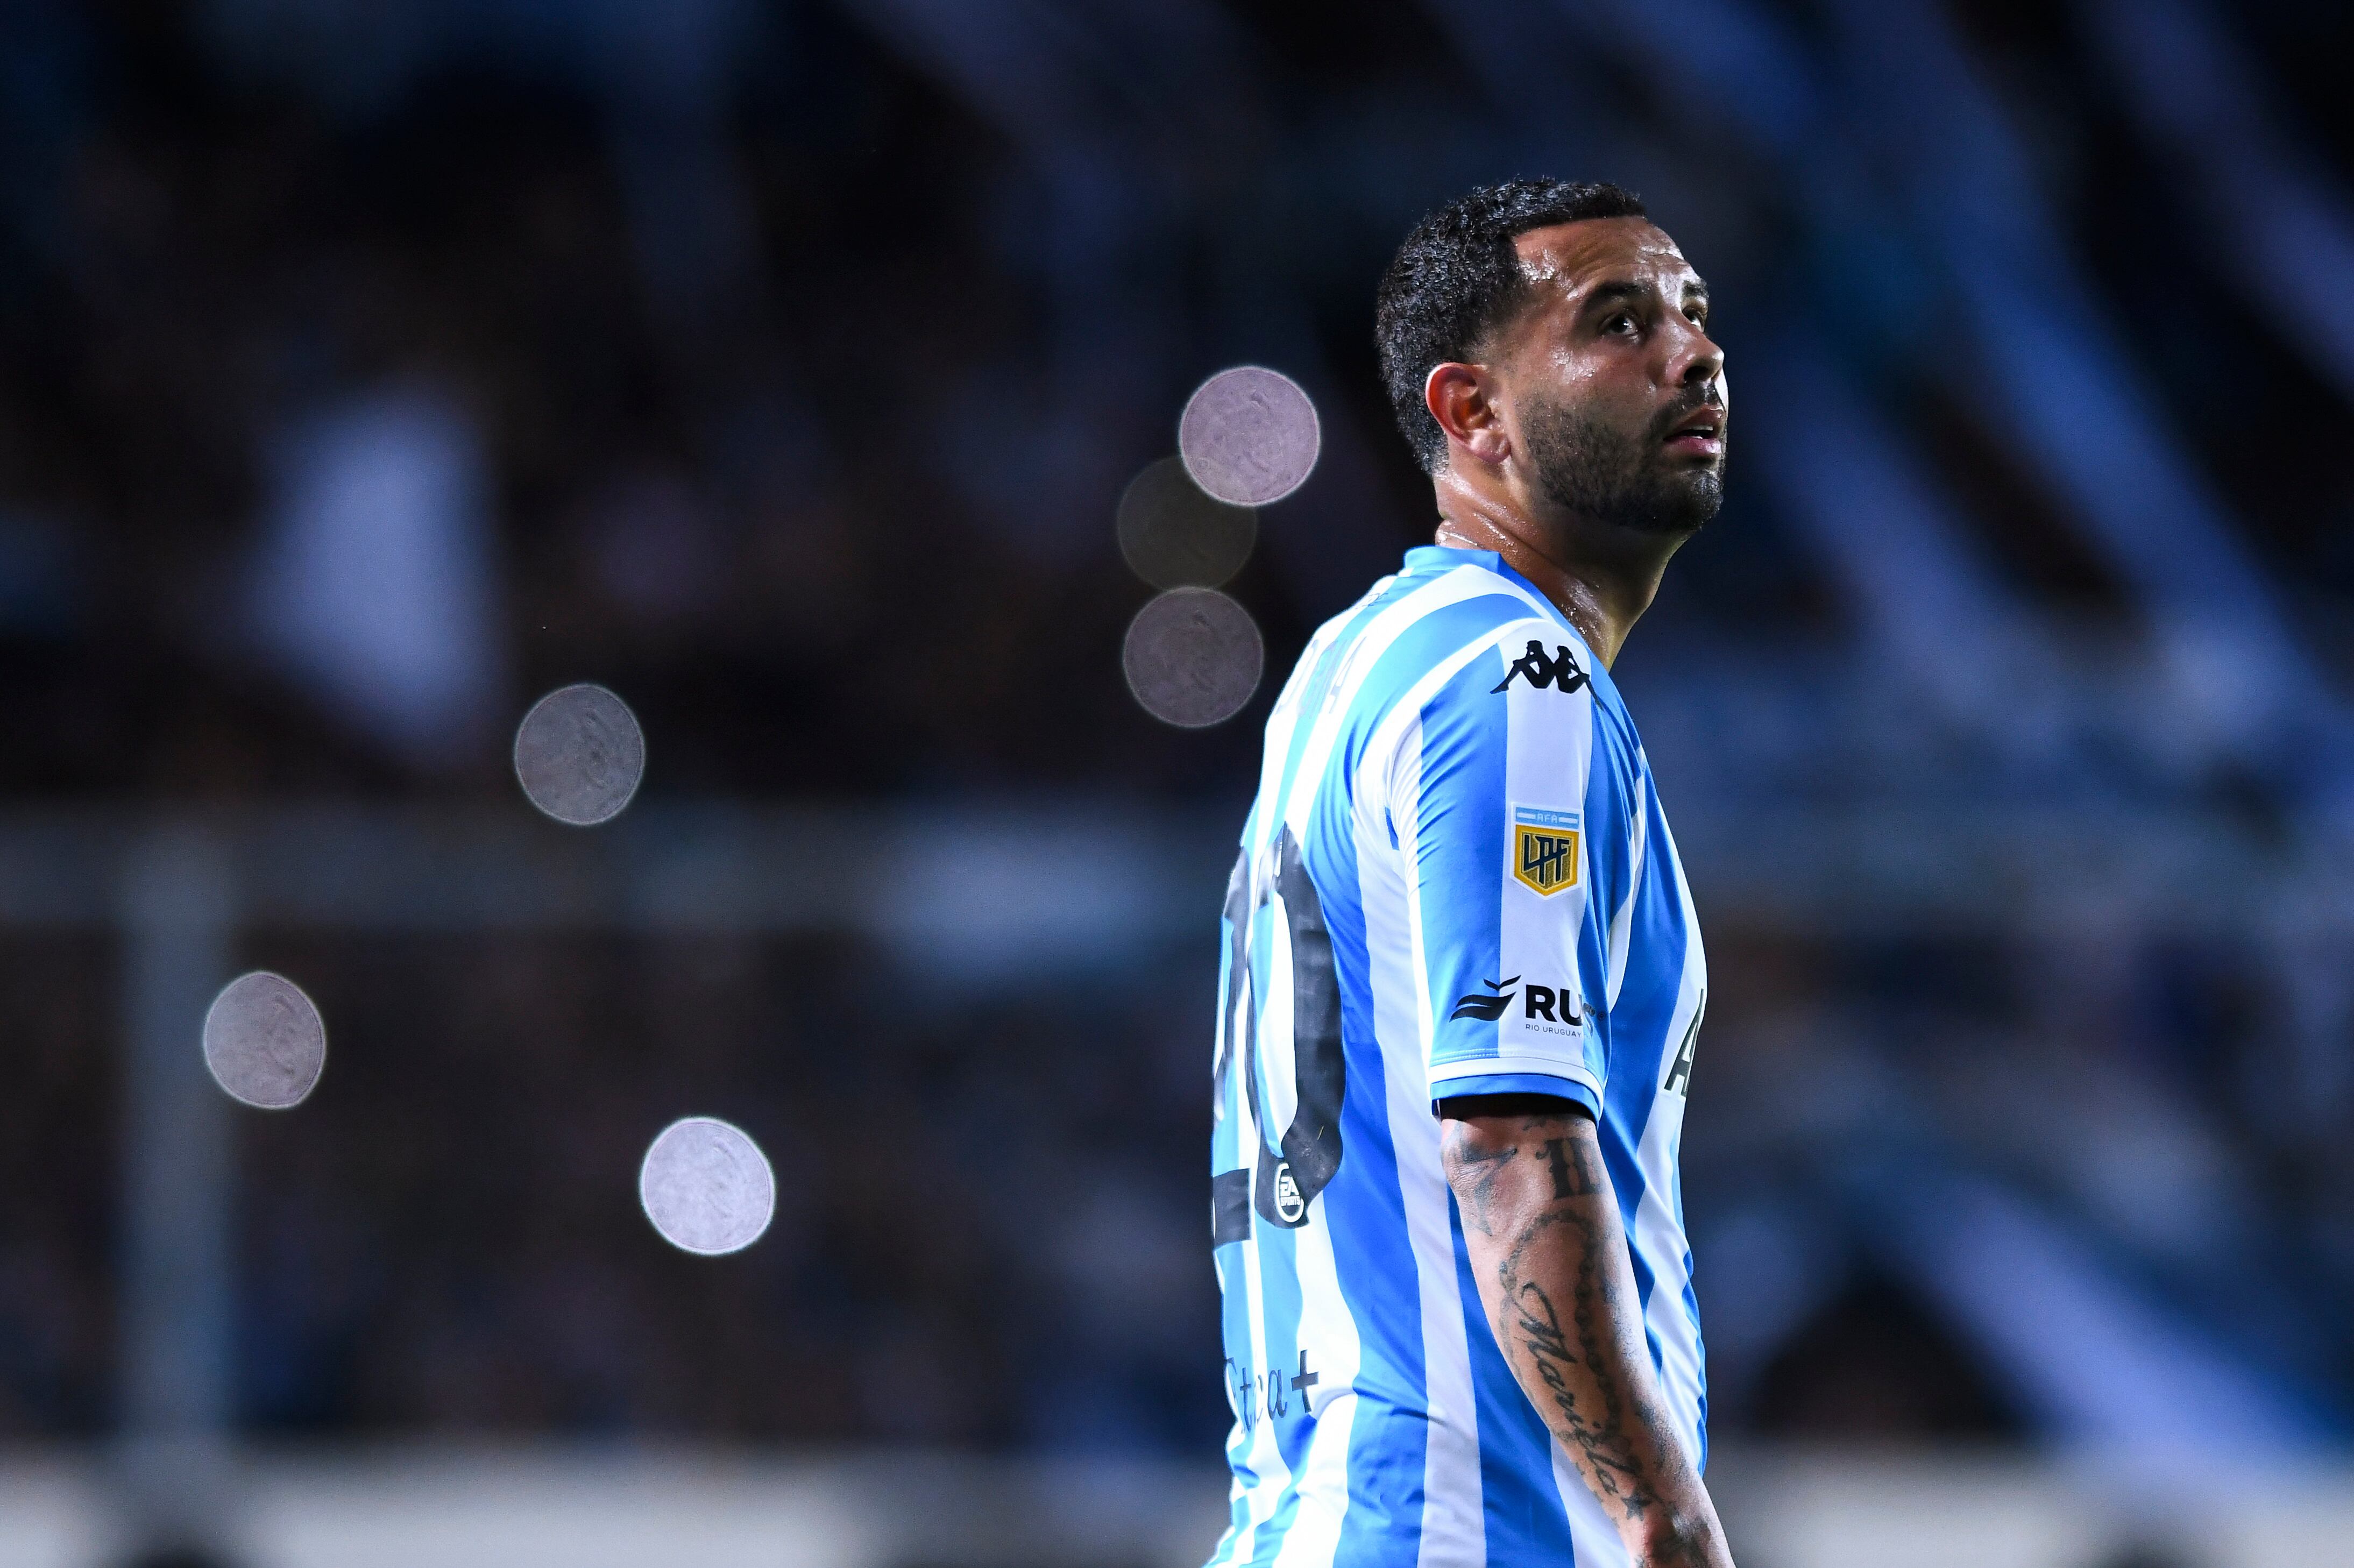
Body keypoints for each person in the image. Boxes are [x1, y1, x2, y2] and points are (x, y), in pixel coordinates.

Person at [1206, 179, 1732, 1567]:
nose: (1693, 353)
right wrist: (1660, 1513)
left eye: (1694, 315)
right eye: (1618, 321)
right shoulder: (1518, 677)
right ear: (1470, 413)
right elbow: (1505, 1134)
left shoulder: (1359, 665)